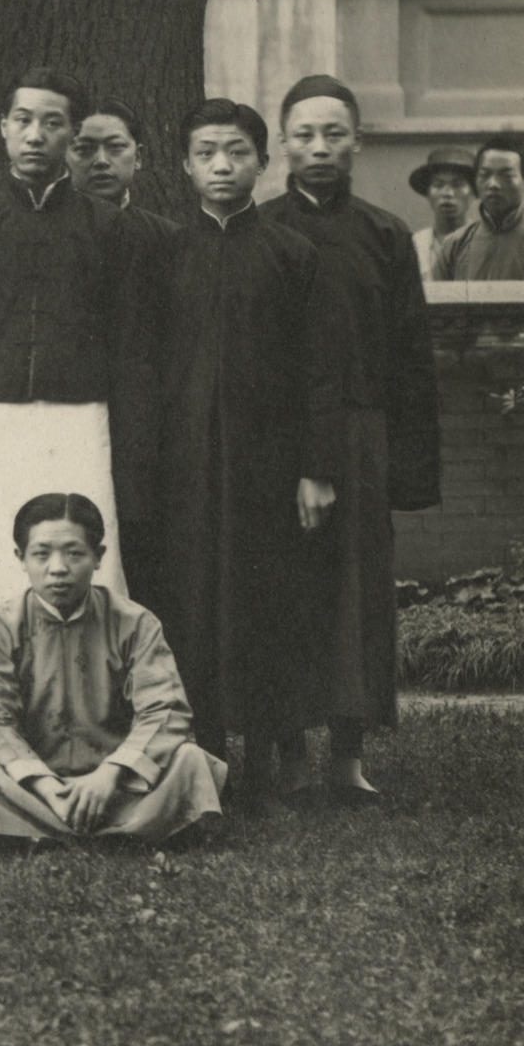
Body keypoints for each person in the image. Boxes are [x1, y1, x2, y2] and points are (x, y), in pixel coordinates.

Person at [141, 101, 346, 767]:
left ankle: (266, 745)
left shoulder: (293, 254)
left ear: (262, 161)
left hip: (269, 463)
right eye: (206, 153)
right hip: (186, 465)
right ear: (184, 166)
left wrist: (315, 469)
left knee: (266, 597)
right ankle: (198, 748)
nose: (222, 166)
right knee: (192, 601)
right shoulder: (164, 254)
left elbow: (322, 369)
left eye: (235, 152)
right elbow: (143, 368)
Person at [0, 72, 143, 644]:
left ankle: (87, 686)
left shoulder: (108, 229)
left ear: (72, 134)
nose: (35, 135)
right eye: (23, 121)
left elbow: (126, 343)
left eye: (52, 122)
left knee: (76, 547)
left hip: (80, 419)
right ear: (1, 130)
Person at [274, 74, 437, 809]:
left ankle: (347, 758)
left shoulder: (384, 234)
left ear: (357, 142)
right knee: (288, 590)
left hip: (363, 437)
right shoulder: (262, 229)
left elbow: (410, 359)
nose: (318, 148)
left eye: (333, 134)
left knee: (355, 597)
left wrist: (404, 468)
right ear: (282, 142)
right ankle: (286, 757)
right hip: (276, 440)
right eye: (304, 134)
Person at [0, 495, 227, 847]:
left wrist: (109, 775)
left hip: (117, 784)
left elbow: (165, 710)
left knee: (189, 760)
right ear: (20, 558)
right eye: (42, 554)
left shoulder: (135, 623)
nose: (58, 568)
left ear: (98, 557)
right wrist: (48, 786)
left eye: (74, 553)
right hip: (35, 786)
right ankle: (122, 833)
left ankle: (36, 835)